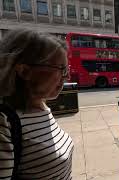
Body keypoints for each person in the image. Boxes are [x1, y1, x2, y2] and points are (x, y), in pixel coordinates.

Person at [0, 29, 74, 179]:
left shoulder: (41, 106)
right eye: (61, 69)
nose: (67, 77)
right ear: (24, 71)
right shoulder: (4, 122)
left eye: (66, 69)